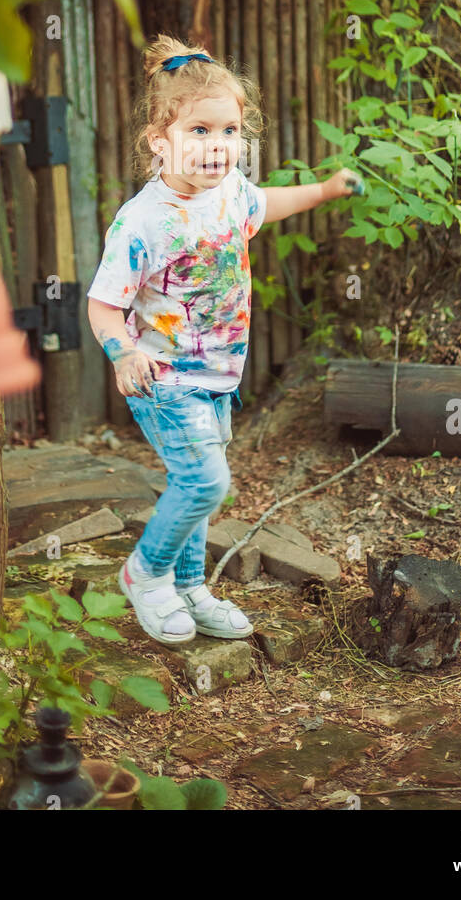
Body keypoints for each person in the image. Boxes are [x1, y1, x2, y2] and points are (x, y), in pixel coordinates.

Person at [86, 33, 364, 647]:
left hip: (218, 376)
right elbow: (103, 304)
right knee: (206, 482)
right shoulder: (144, 221)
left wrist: (322, 191)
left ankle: (190, 588)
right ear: (161, 141)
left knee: (196, 486)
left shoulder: (232, 193)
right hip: (162, 378)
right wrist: (122, 351)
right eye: (200, 132)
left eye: (230, 131)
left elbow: (268, 201)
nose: (218, 147)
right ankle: (145, 575)